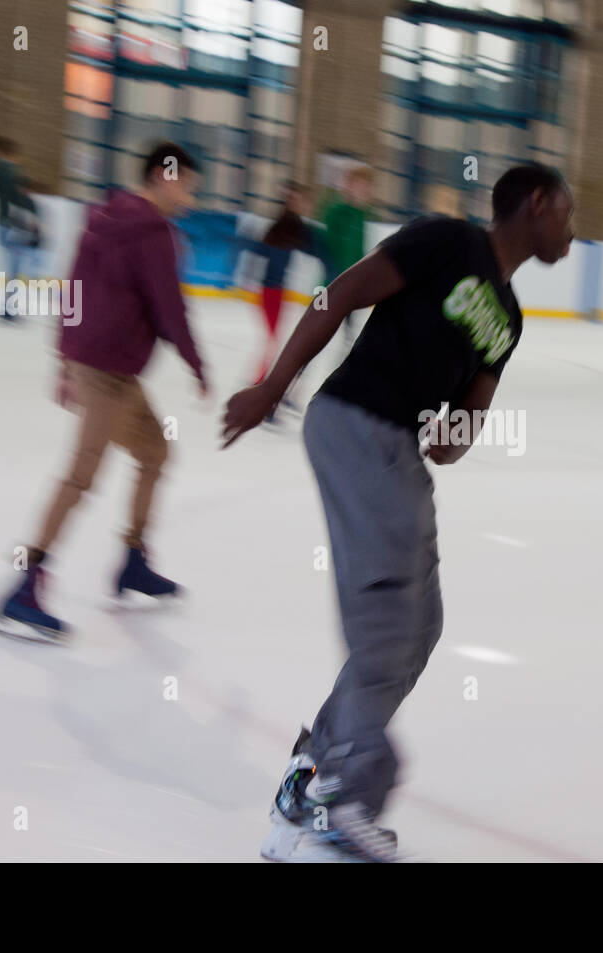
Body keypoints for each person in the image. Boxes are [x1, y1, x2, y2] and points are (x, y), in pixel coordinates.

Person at [222, 164, 575, 862]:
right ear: (535, 204)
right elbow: (338, 294)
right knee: (384, 627)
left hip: (401, 454)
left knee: (419, 627)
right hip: (355, 421)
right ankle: (345, 806)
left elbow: (466, 421)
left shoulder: (508, 315)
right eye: (566, 210)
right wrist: (271, 386)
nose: (572, 227)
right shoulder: (447, 242)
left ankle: (314, 778)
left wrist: (453, 437)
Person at [0, 143, 208, 639]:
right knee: (81, 475)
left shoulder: (102, 215)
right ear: (163, 177)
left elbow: (74, 288)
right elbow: (170, 309)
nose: (190, 198)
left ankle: (132, 559)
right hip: (109, 374)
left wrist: (63, 358)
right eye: (187, 185)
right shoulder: (153, 231)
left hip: (103, 369)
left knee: (155, 453)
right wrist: (198, 365)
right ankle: (25, 583)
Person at [240, 183, 320, 386]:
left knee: (275, 340)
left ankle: (264, 380)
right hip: (268, 291)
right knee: (273, 340)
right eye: (294, 199)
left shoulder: (299, 229)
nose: (298, 203)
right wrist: (247, 277)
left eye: (300, 200)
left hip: (279, 291)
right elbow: (259, 250)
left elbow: (315, 250)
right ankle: (261, 381)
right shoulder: (279, 226)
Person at [319, 166, 374, 344]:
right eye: (360, 185)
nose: (364, 191)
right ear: (349, 185)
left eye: (366, 187)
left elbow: (359, 252)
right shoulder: (337, 211)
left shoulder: (361, 215)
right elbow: (325, 246)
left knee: (349, 340)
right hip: (331, 284)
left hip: (351, 286)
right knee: (317, 334)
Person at [0, 136, 37, 321]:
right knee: (14, 267)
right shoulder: (5, 169)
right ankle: (8, 308)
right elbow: (13, 195)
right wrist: (27, 207)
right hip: (9, 224)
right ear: (10, 154)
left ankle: (7, 306)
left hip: (3, 222)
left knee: (11, 267)